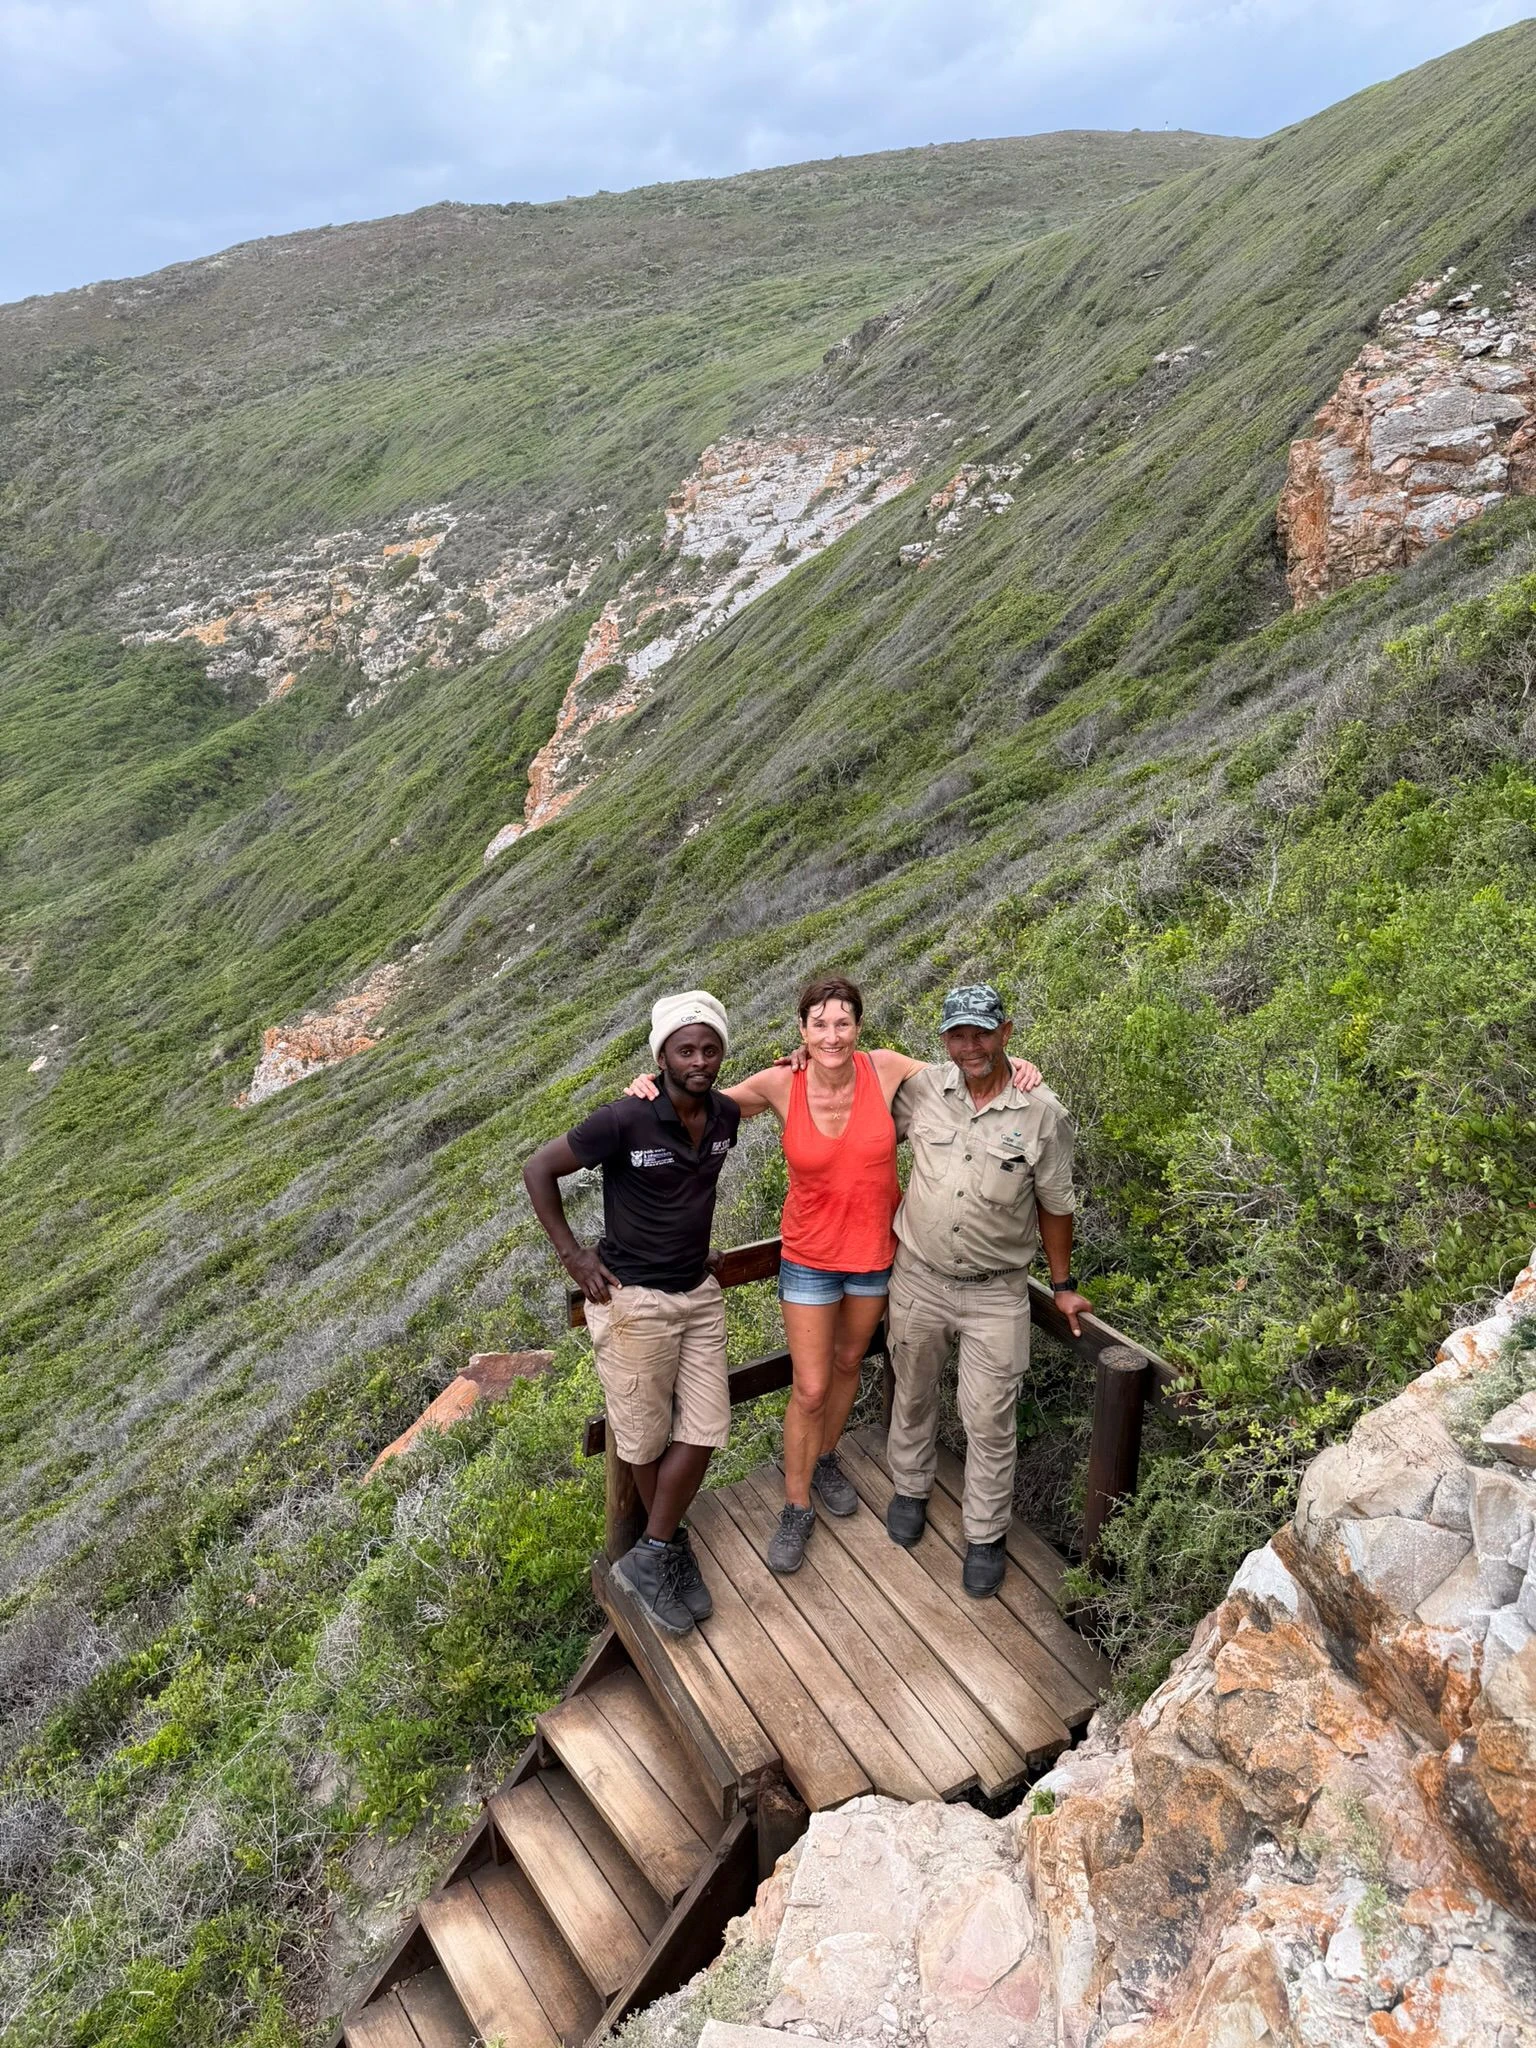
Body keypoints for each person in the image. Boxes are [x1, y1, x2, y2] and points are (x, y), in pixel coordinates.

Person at [626, 976, 1040, 1576]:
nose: (831, 1035)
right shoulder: (780, 1081)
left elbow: (966, 1067)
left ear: (859, 1028)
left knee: (850, 1364)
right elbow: (700, 1102)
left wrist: (1013, 1060)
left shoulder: (888, 1069)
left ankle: (824, 1458)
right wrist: (649, 1086)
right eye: (818, 1024)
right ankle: (796, 1506)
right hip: (809, 1258)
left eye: (842, 1022)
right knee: (811, 1386)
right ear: (801, 1031)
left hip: (874, 1256)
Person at [522, 991, 737, 1637]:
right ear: (662, 1056)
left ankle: (652, 1552)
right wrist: (573, 1257)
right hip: (634, 1301)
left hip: (697, 1293)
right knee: (643, 1437)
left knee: (704, 1427)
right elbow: (538, 1169)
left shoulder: (726, 1114)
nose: (699, 1059)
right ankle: (663, 1551)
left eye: (710, 1047)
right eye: (685, 1049)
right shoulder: (625, 1117)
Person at [884, 983, 1092, 1598]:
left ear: (1005, 1031)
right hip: (917, 1276)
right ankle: (910, 1488)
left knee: (989, 1417)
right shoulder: (922, 1091)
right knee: (913, 1390)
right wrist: (799, 1064)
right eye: (958, 1034)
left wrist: (1063, 1285)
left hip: (997, 1291)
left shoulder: (1041, 1113)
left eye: (982, 1032)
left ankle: (984, 1533)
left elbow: (1056, 1207)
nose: (970, 1046)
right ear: (945, 1039)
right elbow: (855, 1110)